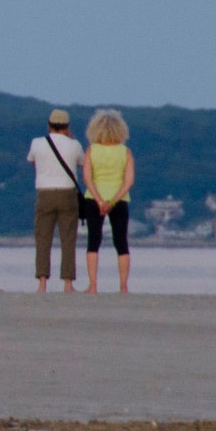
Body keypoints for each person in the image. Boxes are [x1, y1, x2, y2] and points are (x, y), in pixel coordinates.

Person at [28, 108, 85, 292]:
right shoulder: (74, 144)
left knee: (43, 238)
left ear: (49, 125)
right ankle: (68, 283)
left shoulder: (37, 143)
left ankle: (42, 281)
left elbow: (33, 161)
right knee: (68, 238)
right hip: (67, 193)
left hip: (44, 193)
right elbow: (82, 163)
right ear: (67, 126)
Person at [80, 109, 135, 294]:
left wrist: (99, 199)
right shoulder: (125, 152)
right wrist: (112, 201)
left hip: (94, 199)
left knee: (93, 241)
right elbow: (129, 181)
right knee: (121, 242)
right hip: (119, 200)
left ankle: (93, 285)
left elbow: (87, 178)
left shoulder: (91, 150)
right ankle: (123, 286)